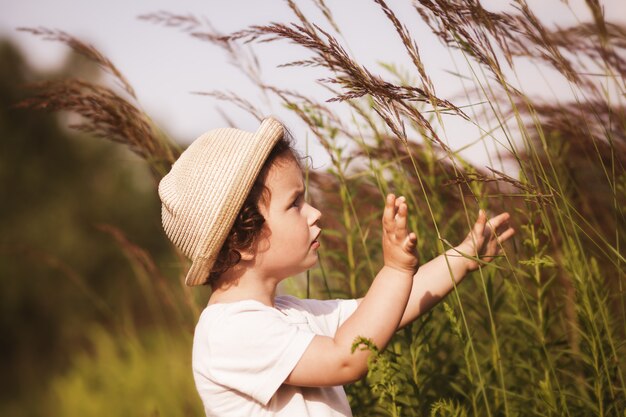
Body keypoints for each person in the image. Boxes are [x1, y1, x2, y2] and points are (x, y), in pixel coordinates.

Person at [158, 117, 515, 417]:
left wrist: (462, 257)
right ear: (242, 239)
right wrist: (394, 270)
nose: (315, 213)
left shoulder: (290, 314)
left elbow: (387, 308)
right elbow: (347, 358)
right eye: (295, 204)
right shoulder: (227, 332)